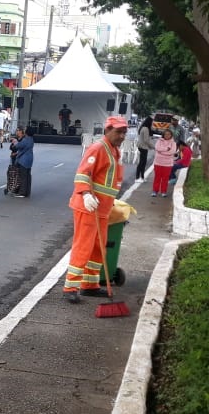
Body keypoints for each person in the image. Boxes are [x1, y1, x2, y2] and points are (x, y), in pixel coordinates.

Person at [62, 116, 128, 304]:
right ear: (108, 130)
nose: (122, 136)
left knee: (98, 247)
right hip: (88, 206)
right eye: (119, 132)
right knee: (83, 246)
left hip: (102, 209)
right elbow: (83, 174)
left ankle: (89, 284)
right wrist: (85, 194)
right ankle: (70, 287)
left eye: (124, 132)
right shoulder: (98, 148)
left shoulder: (114, 151)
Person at [8, 126, 34, 198]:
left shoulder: (25, 140)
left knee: (23, 176)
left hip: (23, 160)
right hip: (29, 159)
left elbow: (18, 146)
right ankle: (27, 191)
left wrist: (15, 141)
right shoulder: (31, 139)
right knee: (27, 176)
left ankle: (22, 192)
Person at [152, 128, 177, 197]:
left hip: (167, 164)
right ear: (163, 135)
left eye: (169, 134)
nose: (167, 135)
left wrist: (161, 152)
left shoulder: (173, 143)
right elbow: (157, 148)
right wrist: (166, 149)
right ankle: (155, 191)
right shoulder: (159, 141)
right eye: (165, 134)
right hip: (158, 162)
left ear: (171, 135)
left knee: (165, 178)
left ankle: (163, 191)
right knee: (157, 177)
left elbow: (172, 152)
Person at [136, 117, 153, 182]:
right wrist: (152, 146)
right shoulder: (146, 129)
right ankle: (138, 177)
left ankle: (141, 177)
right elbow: (146, 140)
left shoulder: (143, 127)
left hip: (141, 146)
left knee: (142, 162)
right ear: (149, 122)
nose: (152, 124)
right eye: (152, 122)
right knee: (142, 163)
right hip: (143, 147)